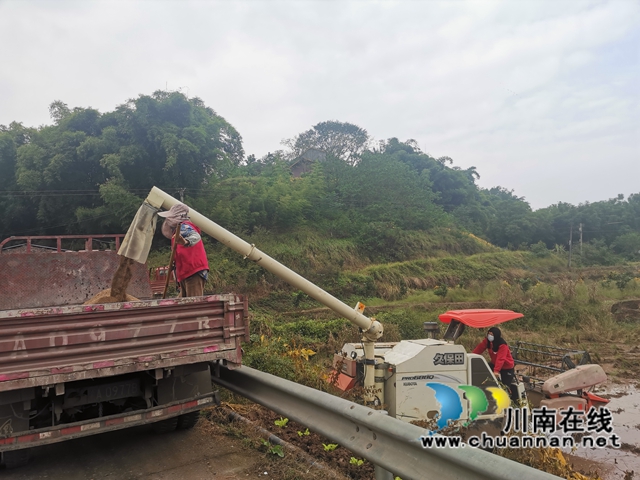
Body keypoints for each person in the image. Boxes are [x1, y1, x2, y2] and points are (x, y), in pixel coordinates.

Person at [157, 203, 209, 297]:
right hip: (186, 273)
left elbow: (196, 236)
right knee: (182, 304)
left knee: (193, 306)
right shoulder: (177, 233)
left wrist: (186, 242)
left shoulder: (184, 227)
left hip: (193, 271)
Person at [472, 326, 518, 402]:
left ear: (496, 335)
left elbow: (501, 358)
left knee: (505, 385)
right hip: (494, 363)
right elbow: (479, 348)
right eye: (489, 334)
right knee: (484, 372)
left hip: (506, 367)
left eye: (492, 335)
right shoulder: (488, 342)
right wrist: (471, 356)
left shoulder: (502, 345)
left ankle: (510, 400)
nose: (490, 336)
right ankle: (487, 392)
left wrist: (496, 371)